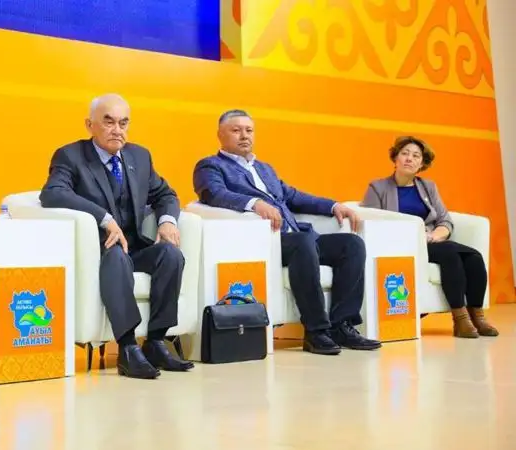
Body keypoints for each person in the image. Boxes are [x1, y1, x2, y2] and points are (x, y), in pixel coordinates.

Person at [193, 109, 381, 355]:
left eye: (249, 130)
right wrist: (254, 204)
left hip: (298, 239)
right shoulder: (210, 166)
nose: (244, 136)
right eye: (236, 130)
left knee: (351, 244)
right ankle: (316, 330)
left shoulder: (264, 168)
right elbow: (215, 194)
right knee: (302, 242)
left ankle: (341, 326)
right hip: (263, 241)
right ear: (220, 135)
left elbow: (293, 196)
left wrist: (334, 206)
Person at [39, 94, 193, 379]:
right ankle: (127, 348)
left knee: (170, 254)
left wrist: (167, 221)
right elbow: (52, 193)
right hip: (101, 249)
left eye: (123, 123)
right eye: (108, 122)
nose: (117, 130)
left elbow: (165, 194)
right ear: (90, 125)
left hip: (134, 246)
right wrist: (105, 218)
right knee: (116, 257)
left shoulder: (139, 156)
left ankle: (156, 342)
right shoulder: (71, 156)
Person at [361, 136, 498, 338]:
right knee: (450, 253)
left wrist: (435, 235)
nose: (409, 158)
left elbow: (444, 219)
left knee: (474, 257)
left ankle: (477, 317)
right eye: (405, 153)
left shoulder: (428, 187)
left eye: (416, 156)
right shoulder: (378, 187)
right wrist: (415, 234)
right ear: (395, 158)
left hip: (430, 241)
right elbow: (371, 220)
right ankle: (460, 318)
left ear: (422, 164)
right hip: (401, 243)